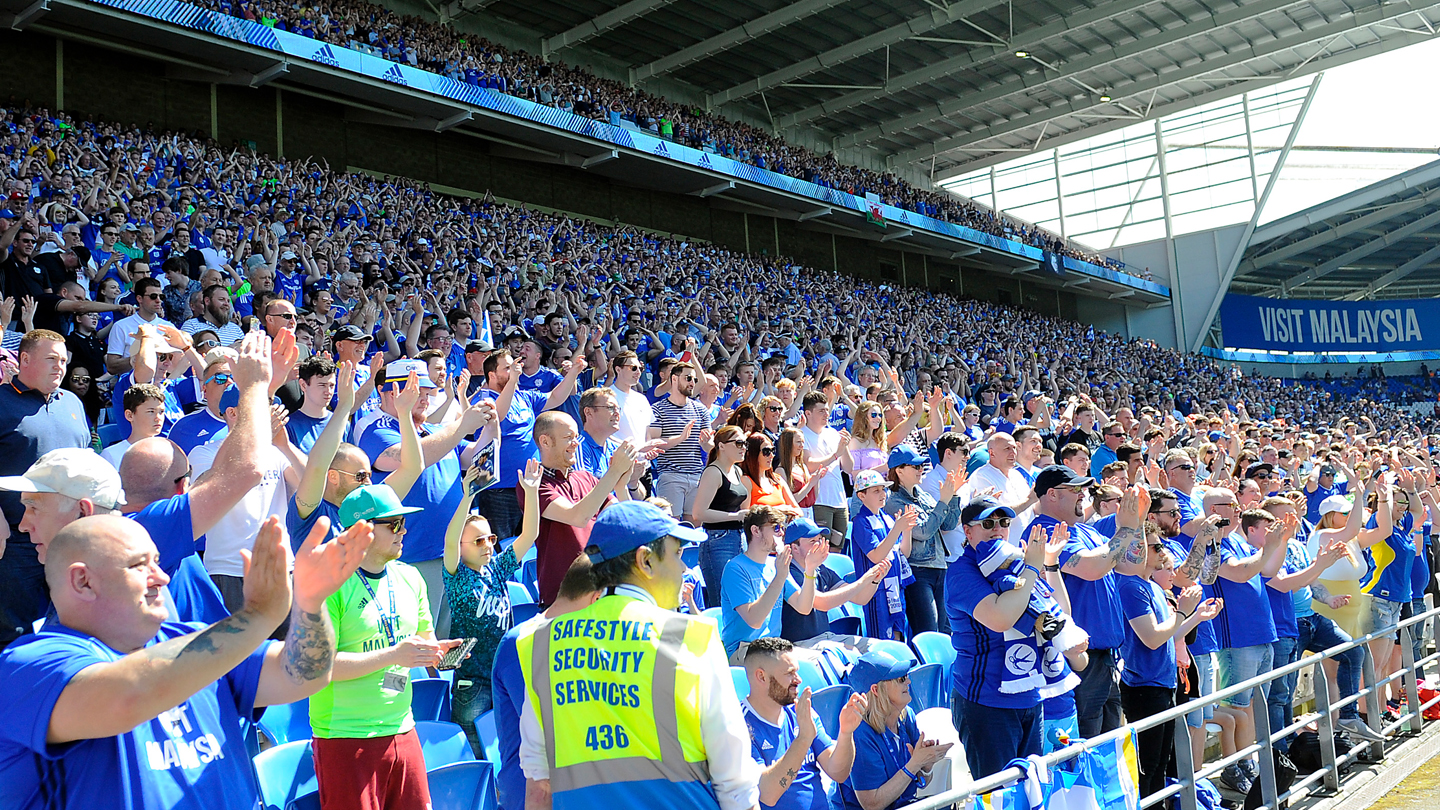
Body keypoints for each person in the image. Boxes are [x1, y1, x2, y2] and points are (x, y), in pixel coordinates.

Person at [0, 511, 374, 809]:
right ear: (82, 582)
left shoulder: (191, 638)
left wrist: (310, 603)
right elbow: (128, 696)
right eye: (138, 566)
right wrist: (258, 616)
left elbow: (303, 675)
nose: (161, 577)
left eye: (158, 561)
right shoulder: (28, 664)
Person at [516, 500, 760, 810]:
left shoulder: (541, 644)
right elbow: (736, 785)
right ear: (645, 561)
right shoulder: (692, 637)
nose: (685, 568)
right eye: (677, 554)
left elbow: (539, 784)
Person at [312, 483, 465, 810]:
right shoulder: (330, 583)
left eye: (403, 522)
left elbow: (424, 646)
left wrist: (441, 654)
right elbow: (321, 666)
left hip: (402, 728)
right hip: (345, 737)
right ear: (361, 530)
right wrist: (394, 655)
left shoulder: (410, 577)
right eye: (393, 523)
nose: (403, 531)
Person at [357, 359, 498, 635]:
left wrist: (492, 428)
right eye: (417, 390)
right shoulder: (373, 427)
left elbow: (474, 458)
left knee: (446, 640)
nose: (425, 397)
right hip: (411, 554)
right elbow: (412, 459)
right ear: (391, 392)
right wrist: (460, 427)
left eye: (427, 390)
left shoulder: (433, 429)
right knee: (419, 638)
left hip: (450, 551)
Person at [0, 329, 100, 648]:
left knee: (72, 627)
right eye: (51, 359)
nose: (60, 366)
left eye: (63, 360)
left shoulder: (71, 402)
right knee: (15, 632)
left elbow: (87, 462)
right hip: (17, 541)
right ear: (24, 360)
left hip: (69, 540)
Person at [1030, 466, 1141, 738]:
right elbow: (1092, 568)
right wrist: (1126, 527)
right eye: (1076, 489)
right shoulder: (1044, 530)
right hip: (1077, 657)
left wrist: (1138, 523)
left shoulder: (1086, 531)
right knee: (1085, 743)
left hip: (1105, 658)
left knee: (1107, 744)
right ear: (1052, 495)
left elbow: (1132, 565)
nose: (1083, 495)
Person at [442, 458, 542, 757]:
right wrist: (468, 495)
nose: (487, 545)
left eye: (491, 538)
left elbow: (530, 535)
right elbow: (449, 538)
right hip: (471, 682)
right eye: (478, 540)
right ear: (462, 546)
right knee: (476, 754)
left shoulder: (497, 568)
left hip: (502, 674)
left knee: (507, 750)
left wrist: (532, 493)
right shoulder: (457, 575)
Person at [1117, 526, 1221, 798]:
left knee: (1161, 764)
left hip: (1163, 683)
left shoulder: (1150, 585)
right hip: (1143, 686)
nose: (1162, 551)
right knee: (1147, 766)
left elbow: (1169, 635)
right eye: (1156, 547)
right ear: (1136, 549)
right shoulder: (1130, 586)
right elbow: (1151, 638)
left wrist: (1196, 616)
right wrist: (1183, 611)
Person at [491, 559, 601, 810]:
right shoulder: (522, 642)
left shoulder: (582, 640)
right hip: (530, 799)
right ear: (596, 600)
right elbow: (560, 733)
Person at [471, 348, 587, 538]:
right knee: (502, 548)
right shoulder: (482, 399)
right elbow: (497, 416)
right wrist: (513, 381)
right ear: (492, 375)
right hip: (498, 491)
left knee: (529, 543)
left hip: (528, 485)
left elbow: (555, 397)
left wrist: (574, 372)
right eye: (507, 368)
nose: (515, 371)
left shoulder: (523, 396)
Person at [742, 637, 866, 810]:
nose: (798, 679)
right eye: (789, 673)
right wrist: (803, 739)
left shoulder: (799, 711)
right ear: (761, 677)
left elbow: (838, 772)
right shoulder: (740, 727)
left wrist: (846, 732)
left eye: (797, 671)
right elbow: (767, 794)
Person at [531, 410, 637, 605]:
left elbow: (624, 520)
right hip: (563, 597)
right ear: (545, 442)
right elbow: (578, 517)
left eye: (576, 437)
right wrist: (613, 472)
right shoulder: (533, 483)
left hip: (601, 590)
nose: (576, 443)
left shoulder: (585, 477)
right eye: (568, 437)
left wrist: (621, 485)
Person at [837, 649, 952, 810]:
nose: (909, 682)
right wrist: (915, 763)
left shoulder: (906, 716)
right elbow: (872, 804)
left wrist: (926, 765)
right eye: (901, 678)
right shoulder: (860, 733)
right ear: (876, 690)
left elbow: (919, 780)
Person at [721, 505, 822, 659]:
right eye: (775, 528)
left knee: (821, 660)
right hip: (745, 650)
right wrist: (780, 576)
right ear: (755, 531)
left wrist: (810, 570)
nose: (781, 533)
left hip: (774, 648)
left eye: (782, 528)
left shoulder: (775, 564)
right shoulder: (735, 568)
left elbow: (804, 607)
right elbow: (754, 620)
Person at [885, 444, 965, 634]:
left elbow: (948, 525)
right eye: (916, 467)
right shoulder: (894, 501)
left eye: (922, 466)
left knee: (944, 629)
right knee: (928, 629)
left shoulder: (924, 496)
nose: (921, 470)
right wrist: (944, 501)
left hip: (939, 566)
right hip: (917, 570)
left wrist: (953, 496)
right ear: (900, 471)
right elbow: (922, 532)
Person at [850, 470, 918, 641]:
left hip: (895, 586)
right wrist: (897, 528)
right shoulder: (861, 521)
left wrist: (907, 530)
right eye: (876, 491)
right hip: (876, 591)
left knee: (899, 637)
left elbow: (904, 553)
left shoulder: (886, 518)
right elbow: (876, 556)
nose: (883, 494)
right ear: (861, 495)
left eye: (883, 489)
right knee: (881, 640)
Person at [695, 425, 753, 608]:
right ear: (721, 446)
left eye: (745, 443)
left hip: (738, 538)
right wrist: (735, 516)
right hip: (717, 542)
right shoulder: (713, 472)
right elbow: (699, 513)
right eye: (738, 443)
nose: (743, 447)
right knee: (722, 603)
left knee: (738, 599)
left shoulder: (737, 471)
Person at [649, 362, 710, 522]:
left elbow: (707, 446)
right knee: (671, 527)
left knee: (695, 528)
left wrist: (709, 444)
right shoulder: (658, 409)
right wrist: (680, 438)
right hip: (671, 475)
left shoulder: (701, 410)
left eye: (694, 380)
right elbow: (654, 443)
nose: (692, 383)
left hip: (697, 476)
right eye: (688, 378)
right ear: (674, 379)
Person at [800, 392, 854, 546]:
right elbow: (808, 465)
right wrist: (836, 454)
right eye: (821, 411)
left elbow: (849, 468)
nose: (826, 414)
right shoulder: (802, 434)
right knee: (821, 547)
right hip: (819, 501)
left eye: (827, 410)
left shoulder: (833, 433)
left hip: (839, 501)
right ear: (808, 413)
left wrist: (845, 446)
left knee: (837, 547)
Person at [100, 383, 166, 469]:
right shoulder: (111, 455)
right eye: (151, 411)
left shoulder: (168, 450)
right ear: (130, 415)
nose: (158, 418)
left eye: (161, 412)